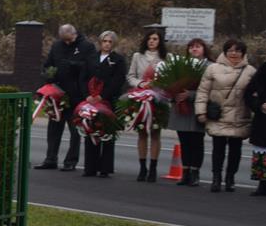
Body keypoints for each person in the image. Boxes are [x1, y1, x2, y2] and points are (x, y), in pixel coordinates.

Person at [197, 39, 254, 193]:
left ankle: (230, 178)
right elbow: (203, 91)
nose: (234, 54)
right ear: (225, 52)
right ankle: (216, 178)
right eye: (230, 50)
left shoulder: (250, 71)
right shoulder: (213, 69)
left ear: (243, 53)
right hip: (218, 115)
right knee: (218, 149)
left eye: (237, 51)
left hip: (239, 116)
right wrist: (201, 111)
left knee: (236, 150)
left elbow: (255, 94)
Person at [38, 24, 94, 171]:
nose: (67, 43)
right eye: (64, 41)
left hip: (76, 94)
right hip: (57, 94)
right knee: (54, 128)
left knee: (75, 130)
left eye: (69, 40)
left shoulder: (87, 46)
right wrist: (48, 75)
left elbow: (91, 67)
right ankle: (50, 159)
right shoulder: (57, 46)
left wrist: (75, 65)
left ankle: (71, 161)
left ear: (74, 34)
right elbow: (48, 64)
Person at [82, 31, 126, 179]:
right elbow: (83, 78)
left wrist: (102, 96)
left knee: (107, 133)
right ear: (100, 42)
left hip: (108, 101)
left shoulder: (118, 60)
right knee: (91, 131)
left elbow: (117, 81)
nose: (107, 44)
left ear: (114, 44)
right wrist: (87, 96)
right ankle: (90, 167)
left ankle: (105, 168)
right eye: (104, 41)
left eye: (110, 42)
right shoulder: (91, 58)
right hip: (90, 100)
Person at [171, 37, 211, 187]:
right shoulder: (181, 65)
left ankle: (195, 172)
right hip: (182, 108)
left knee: (196, 141)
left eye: (198, 46)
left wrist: (191, 94)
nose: (194, 49)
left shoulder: (209, 66)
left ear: (204, 49)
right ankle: (185, 171)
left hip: (197, 107)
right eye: (191, 47)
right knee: (184, 141)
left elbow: (210, 89)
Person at [126, 30, 165, 181]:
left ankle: (153, 168)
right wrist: (141, 83)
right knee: (142, 133)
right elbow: (130, 76)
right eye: (149, 39)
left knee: (155, 133)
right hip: (141, 98)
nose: (152, 41)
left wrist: (158, 85)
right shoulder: (137, 56)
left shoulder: (165, 58)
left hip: (157, 100)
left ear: (159, 41)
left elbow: (170, 78)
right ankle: (142, 167)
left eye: (155, 39)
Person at [246, 39, 266, 197]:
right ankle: (262, 184)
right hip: (263, 120)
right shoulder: (263, 71)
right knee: (263, 152)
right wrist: (260, 105)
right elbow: (249, 93)